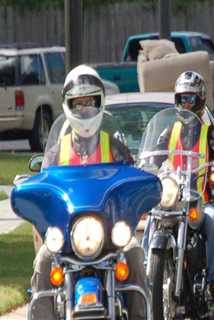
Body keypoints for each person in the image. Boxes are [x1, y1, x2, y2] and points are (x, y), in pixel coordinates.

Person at [32, 65, 148, 320]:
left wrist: (141, 186)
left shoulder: (115, 147)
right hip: (67, 237)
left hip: (109, 235)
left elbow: (131, 178)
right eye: (78, 103)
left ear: (100, 102)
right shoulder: (55, 153)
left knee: (135, 255)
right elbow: (43, 186)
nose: (84, 109)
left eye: (90, 102)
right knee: (42, 261)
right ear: (67, 105)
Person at [170, 71, 214, 302]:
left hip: (199, 201)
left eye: (190, 98)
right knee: (152, 219)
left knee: (213, 220)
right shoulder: (169, 131)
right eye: (182, 98)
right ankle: (146, 272)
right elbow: (153, 156)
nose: (185, 103)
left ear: (200, 100)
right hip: (172, 200)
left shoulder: (209, 132)